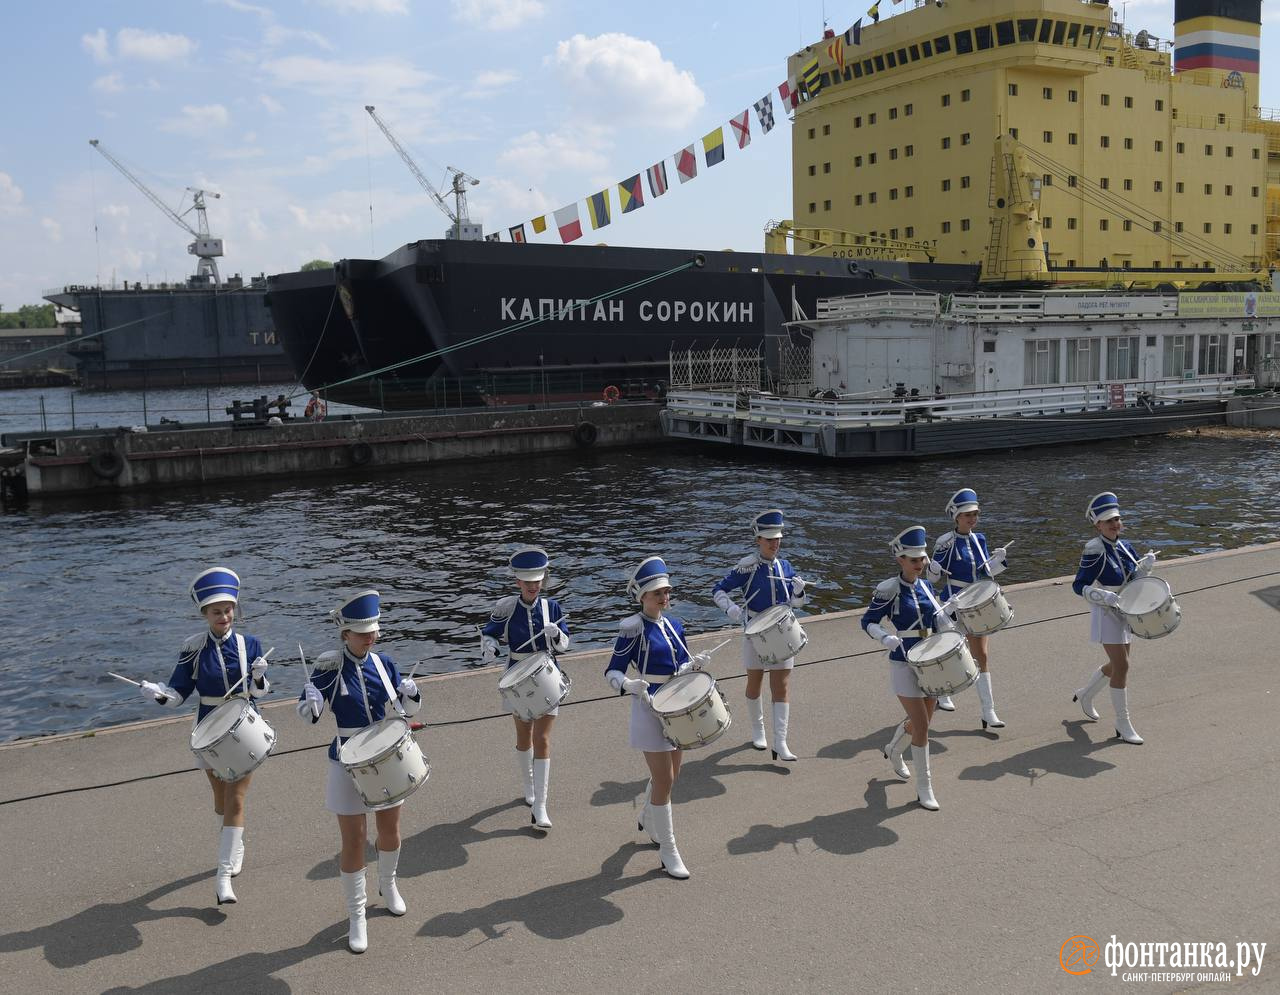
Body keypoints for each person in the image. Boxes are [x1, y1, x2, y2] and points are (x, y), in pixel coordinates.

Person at [297, 590, 423, 954]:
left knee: (391, 829)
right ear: (345, 633)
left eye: (373, 630)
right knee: (353, 840)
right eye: (362, 631)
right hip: (345, 757)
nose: (370, 637)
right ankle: (356, 915)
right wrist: (312, 702)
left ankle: (389, 885)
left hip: (383, 755)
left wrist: (412, 695)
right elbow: (309, 716)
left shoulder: (384, 663)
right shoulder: (328, 666)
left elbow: (403, 708)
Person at [139, 567, 271, 906]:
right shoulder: (193, 648)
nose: (224, 616)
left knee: (236, 799)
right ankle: (235, 838)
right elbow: (179, 692)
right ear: (204, 614)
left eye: (228, 610)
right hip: (208, 728)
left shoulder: (249, 644)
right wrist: (159, 694)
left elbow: (259, 692)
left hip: (243, 726)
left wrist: (258, 678)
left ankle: (223, 875)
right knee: (220, 801)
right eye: (216, 612)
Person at [605, 556, 710, 878]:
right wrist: (627, 684)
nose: (664, 598)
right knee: (664, 779)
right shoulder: (632, 629)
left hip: (676, 706)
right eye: (657, 594)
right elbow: (612, 670)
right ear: (642, 598)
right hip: (649, 707)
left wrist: (692, 666)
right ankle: (669, 849)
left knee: (671, 777)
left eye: (666, 592)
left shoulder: (675, 625)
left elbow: (680, 663)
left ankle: (648, 818)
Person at [860, 527, 961, 811]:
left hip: (930, 661)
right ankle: (924, 787)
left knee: (923, 720)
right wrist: (884, 637)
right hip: (903, 662)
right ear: (900, 560)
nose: (920, 564)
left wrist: (949, 614)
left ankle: (894, 749)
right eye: (914, 559)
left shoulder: (927, 586)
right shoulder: (888, 589)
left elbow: (939, 621)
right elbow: (868, 620)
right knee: (922, 725)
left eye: (923, 558)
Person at [481, 546, 570, 831]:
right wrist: (490, 646)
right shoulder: (506, 608)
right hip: (516, 676)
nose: (533, 585)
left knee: (543, 739)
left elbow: (565, 645)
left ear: (543, 580)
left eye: (538, 580)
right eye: (527, 580)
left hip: (546, 674)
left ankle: (541, 806)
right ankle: (528, 785)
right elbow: (489, 634)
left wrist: (557, 636)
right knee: (524, 737)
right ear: (517, 581)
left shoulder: (552, 608)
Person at [711, 509, 808, 760]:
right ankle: (758, 731)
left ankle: (781, 742)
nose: (775, 543)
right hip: (755, 632)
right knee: (755, 682)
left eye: (778, 539)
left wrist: (798, 593)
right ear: (758, 540)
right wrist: (731, 609)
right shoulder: (747, 567)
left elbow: (795, 604)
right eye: (769, 539)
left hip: (783, 630)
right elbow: (719, 590)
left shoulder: (786, 566)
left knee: (782, 686)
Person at [1070, 492, 1156, 745]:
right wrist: (1103, 595)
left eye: (1117, 519)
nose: (1114, 524)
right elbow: (1079, 585)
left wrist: (1146, 567)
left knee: (1119, 664)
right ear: (1098, 525)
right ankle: (1122, 722)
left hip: (1126, 610)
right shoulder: (1094, 549)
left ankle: (1085, 694)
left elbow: (1132, 579)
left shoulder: (1125, 546)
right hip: (1106, 612)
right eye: (1109, 521)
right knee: (1123, 666)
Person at [929, 487, 1010, 725]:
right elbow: (934, 578)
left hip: (977, 603)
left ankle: (988, 710)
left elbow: (985, 572)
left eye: (975, 514)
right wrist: (933, 569)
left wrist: (1000, 560)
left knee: (982, 655)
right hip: (954, 602)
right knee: (947, 653)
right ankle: (941, 694)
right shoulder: (946, 542)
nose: (972, 518)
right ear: (956, 517)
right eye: (968, 515)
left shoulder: (980, 538)